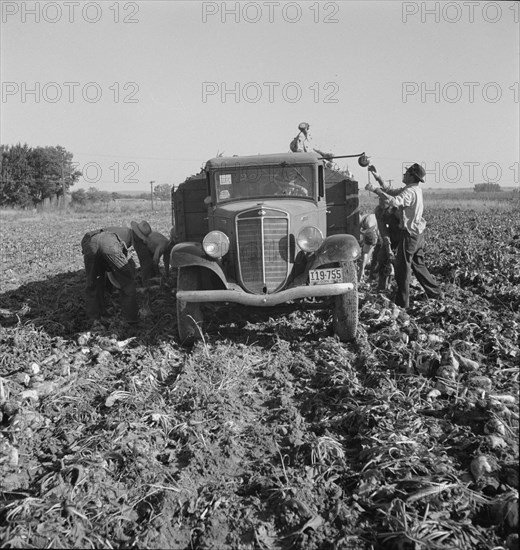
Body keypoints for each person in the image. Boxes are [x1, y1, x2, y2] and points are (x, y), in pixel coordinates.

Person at [365, 163, 442, 308]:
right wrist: (378, 177)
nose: (404, 174)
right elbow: (391, 191)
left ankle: (402, 303)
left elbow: (393, 200)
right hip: (418, 234)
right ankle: (436, 292)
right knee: (418, 265)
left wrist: (375, 189)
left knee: (402, 269)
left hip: (410, 235)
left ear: (412, 176)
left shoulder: (409, 192)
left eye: (407, 173)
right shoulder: (413, 190)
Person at [81, 220, 157, 325]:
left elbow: (107, 264)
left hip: (90, 242)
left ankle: (94, 318)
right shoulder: (128, 238)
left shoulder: (121, 231)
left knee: (93, 282)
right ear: (137, 236)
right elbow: (120, 264)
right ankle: (131, 319)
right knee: (127, 283)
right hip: (109, 244)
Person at [358, 213, 379, 282]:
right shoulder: (366, 221)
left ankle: (365, 272)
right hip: (371, 232)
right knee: (368, 251)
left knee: (368, 252)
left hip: (373, 232)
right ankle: (365, 272)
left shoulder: (368, 219)